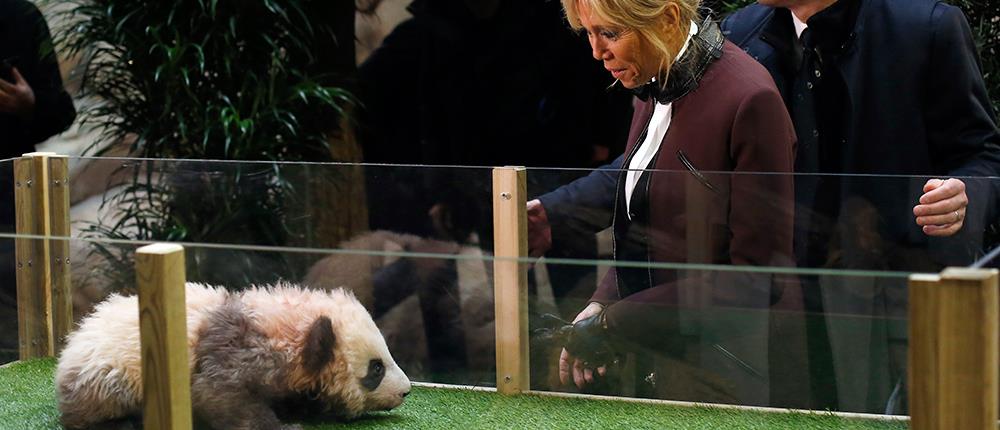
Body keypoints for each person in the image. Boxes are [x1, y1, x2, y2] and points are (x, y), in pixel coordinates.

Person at [718, 0, 1000, 414]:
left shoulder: (928, 26)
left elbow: (983, 156)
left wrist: (965, 195)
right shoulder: (738, 33)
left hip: (899, 304)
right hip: (785, 309)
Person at [532, 0, 796, 405]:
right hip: (659, 361)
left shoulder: (749, 98)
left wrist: (614, 323)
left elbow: (757, 280)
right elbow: (646, 210)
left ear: (669, 19)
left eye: (609, 33)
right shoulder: (655, 73)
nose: (597, 52)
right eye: (589, 33)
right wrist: (603, 302)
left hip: (720, 371)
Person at [0, 0, 77, 363]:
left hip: (9, 194)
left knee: (16, 328)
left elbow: (62, 111)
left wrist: (28, 104)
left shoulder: (20, 16)